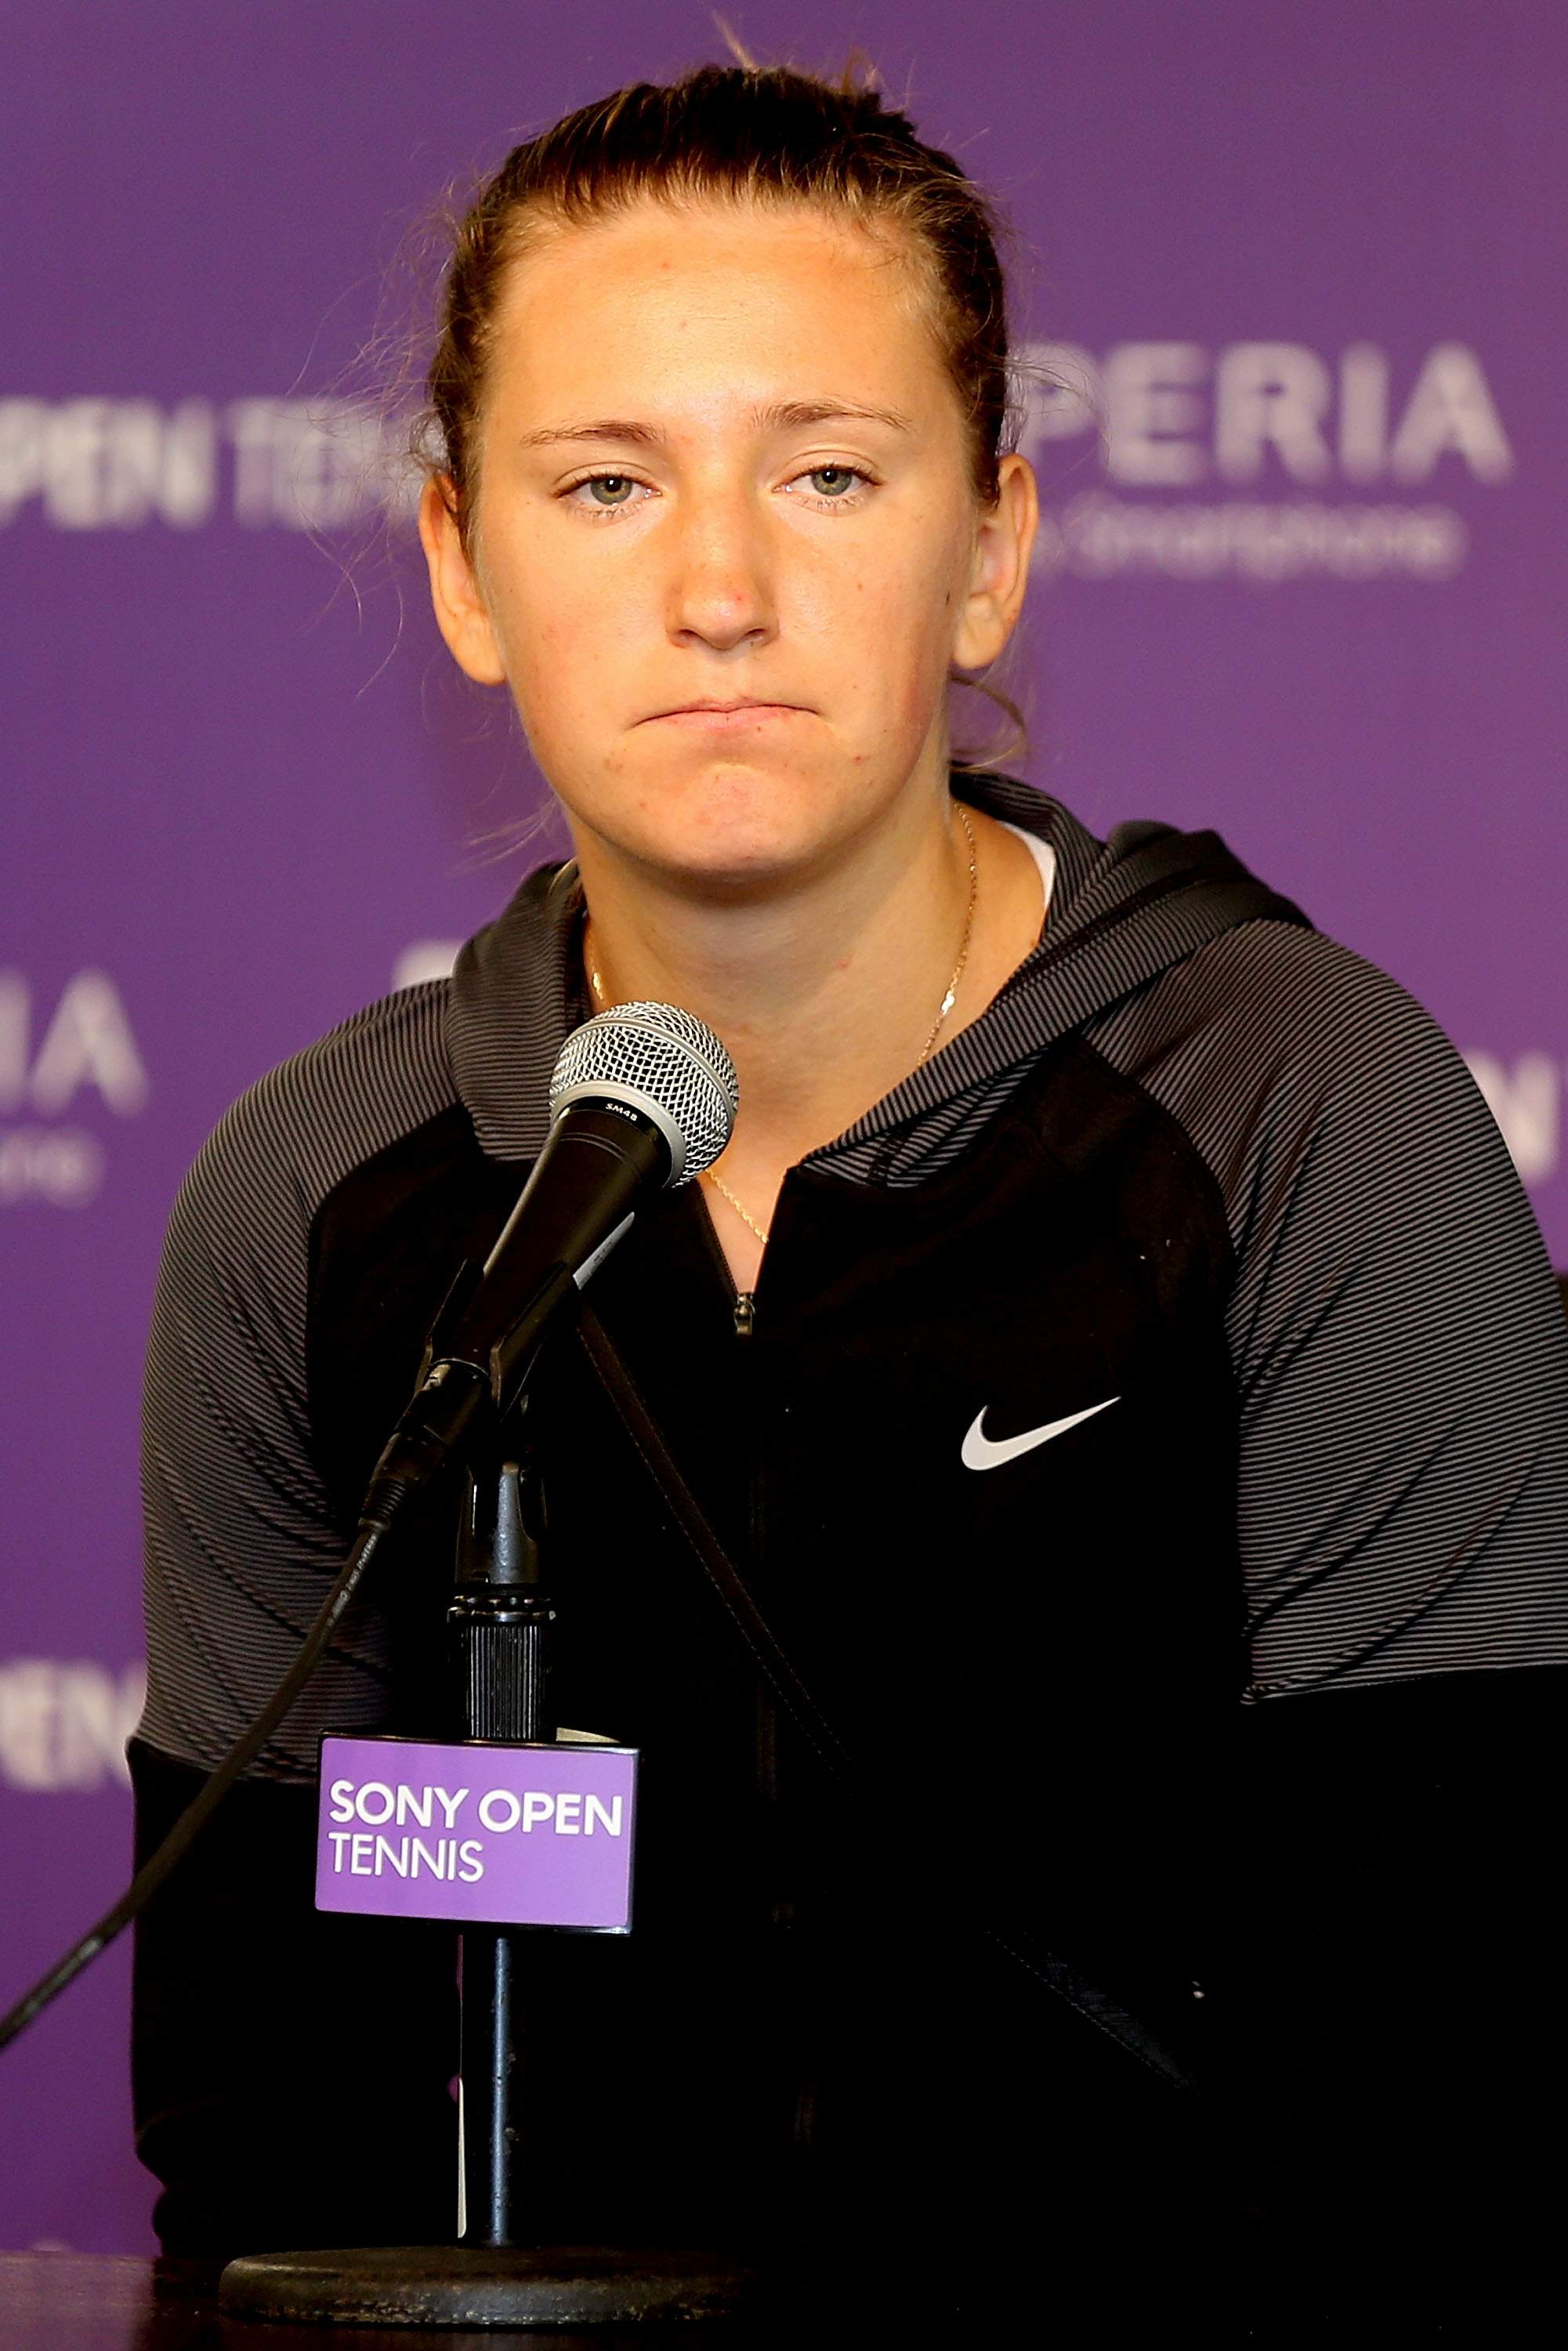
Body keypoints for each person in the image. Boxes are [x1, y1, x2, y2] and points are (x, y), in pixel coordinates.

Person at [130, 53, 1568, 2335]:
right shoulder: (317, 1197)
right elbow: (259, 2152)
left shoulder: (1295, 1104)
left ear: (989, 545)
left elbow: (1461, 2084)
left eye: (824, 471)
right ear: (459, 565)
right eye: (603, 484)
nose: (718, 588)